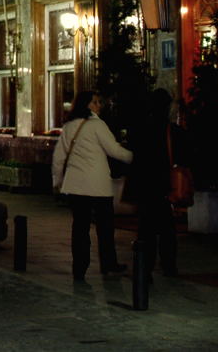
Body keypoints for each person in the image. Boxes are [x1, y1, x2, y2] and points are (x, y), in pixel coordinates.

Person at [51, 90, 134, 282]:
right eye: (95, 102)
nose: (99, 105)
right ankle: (108, 263)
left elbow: (59, 157)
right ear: (87, 105)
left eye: (99, 102)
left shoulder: (70, 126)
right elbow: (114, 150)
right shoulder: (97, 125)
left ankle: (79, 267)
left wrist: (57, 181)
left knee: (79, 228)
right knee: (105, 227)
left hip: (76, 186)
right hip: (98, 186)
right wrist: (134, 157)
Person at [125, 88, 182, 277]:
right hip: (162, 185)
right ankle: (168, 265)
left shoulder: (141, 127)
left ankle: (145, 268)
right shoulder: (169, 129)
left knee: (146, 228)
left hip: (145, 185)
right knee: (166, 229)